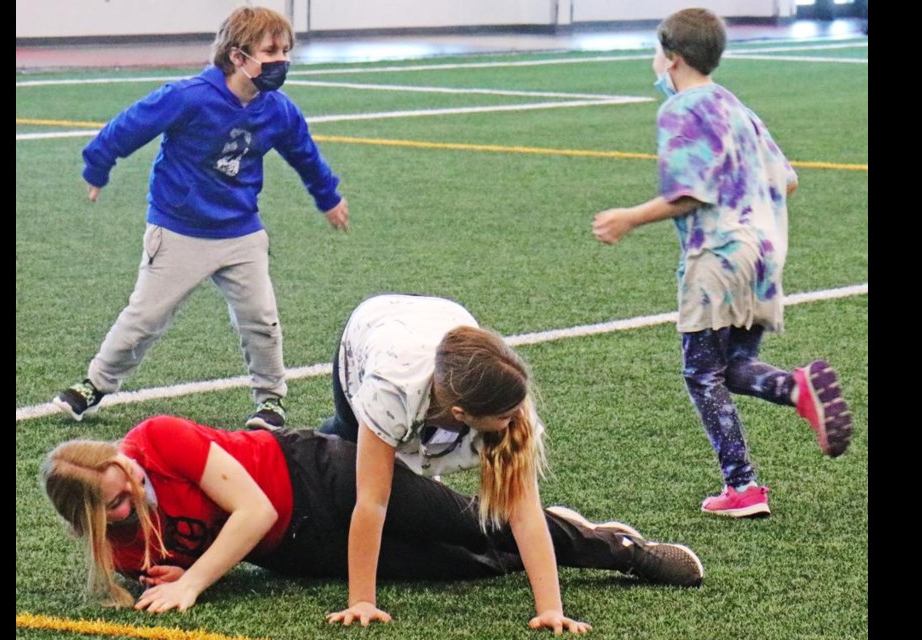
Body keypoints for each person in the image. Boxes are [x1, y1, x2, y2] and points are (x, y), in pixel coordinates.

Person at [41, 414, 704, 628]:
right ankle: (556, 535)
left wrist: (192, 583)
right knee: (455, 569)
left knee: (472, 523)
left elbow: (254, 511)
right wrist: (176, 570)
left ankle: (615, 549)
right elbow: (199, 551)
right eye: (117, 504)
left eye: (122, 476)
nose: (131, 487)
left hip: (316, 474)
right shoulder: (120, 548)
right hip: (298, 549)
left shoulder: (156, 440)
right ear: (93, 524)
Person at [590, 8, 853, 518]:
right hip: (764, 256)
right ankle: (795, 388)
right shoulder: (737, 107)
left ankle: (743, 485)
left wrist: (629, 217)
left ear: (673, 58)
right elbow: (788, 178)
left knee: (701, 374)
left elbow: (691, 190)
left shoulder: (682, 110)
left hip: (718, 259)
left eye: (656, 52)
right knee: (731, 367)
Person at [312, 294, 697, 631]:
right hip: (371, 331)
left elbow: (524, 513)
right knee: (351, 463)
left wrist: (550, 609)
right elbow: (372, 502)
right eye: (505, 417)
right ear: (462, 414)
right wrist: (362, 599)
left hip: (443, 335)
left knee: (418, 507)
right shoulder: (388, 390)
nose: (517, 420)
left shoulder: (507, 399)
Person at [52, 6, 349, 430]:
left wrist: (328, 197)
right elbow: (130, 125)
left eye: (286, 50)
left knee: (261, 319)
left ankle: (270, 401)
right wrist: (97, 166)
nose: (281, 60)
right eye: (270, 50)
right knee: (145, 318)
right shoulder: (189, 96)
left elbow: (305, 154)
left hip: (241, 231)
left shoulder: (278, 110)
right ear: (237, 56)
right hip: (178, 229)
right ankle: (94, 385)